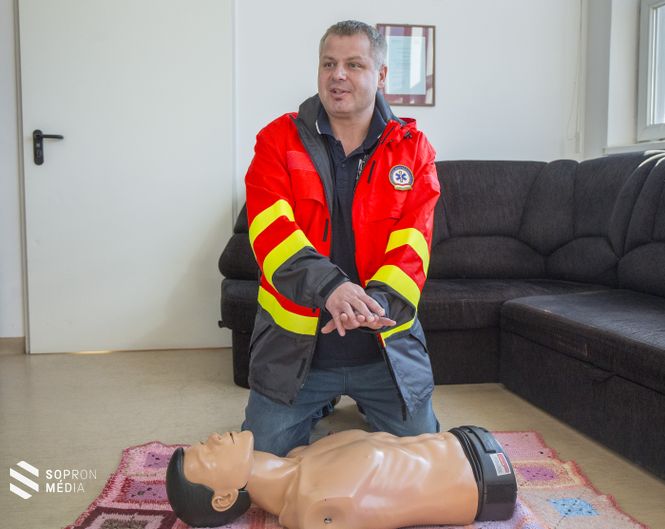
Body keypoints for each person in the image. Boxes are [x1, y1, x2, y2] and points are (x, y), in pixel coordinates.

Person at [243, 19, 441, 456]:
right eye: (328, 63)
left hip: (383, 351)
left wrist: (374, 307)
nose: (338, 75)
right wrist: (331, 288)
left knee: (425, 458)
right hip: (298, 355)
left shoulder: (414, 150)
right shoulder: (277, 140)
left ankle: (364, 400)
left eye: (354, 64)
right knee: (261, 462)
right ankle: (321, 399)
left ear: (381, 75)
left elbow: (414, 245)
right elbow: (271, 234)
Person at [166, 427, 518, 529]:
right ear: (224, 498)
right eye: (207, 454)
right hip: (485, 482)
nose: (213, 438)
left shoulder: (299, 457)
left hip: (467, 438)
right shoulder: (317, 510)